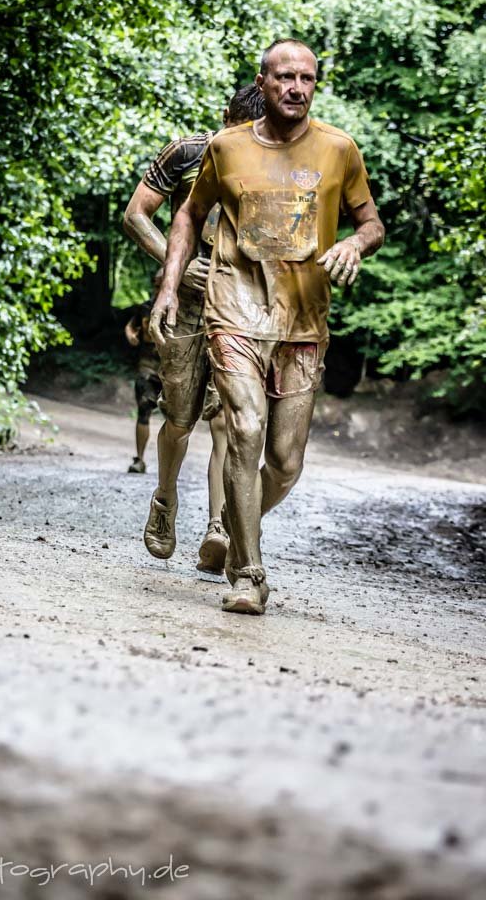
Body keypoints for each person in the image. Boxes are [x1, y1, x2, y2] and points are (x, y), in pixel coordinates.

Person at [150, 39, 384, 614]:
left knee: (284, 463)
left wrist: (356, 243)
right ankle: (248, 573)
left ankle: (234, 520)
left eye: (306, 79)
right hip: (233, 309)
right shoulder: (226, 148)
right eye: (284, 77)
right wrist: (167, 287)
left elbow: (371, 221)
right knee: (245, 428)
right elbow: (186, 214)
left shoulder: (339, 149)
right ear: (264, 81)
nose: (295, 88)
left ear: (315, 86)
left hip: (302, 322)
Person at [124, 85, 264, 574]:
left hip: (242, 306)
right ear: (223, 118)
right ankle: (164, 498)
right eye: (237, 132)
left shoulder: (276, 167)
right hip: (184, 305)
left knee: (229, 418)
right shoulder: (185, 153)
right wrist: (177, 264)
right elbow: (135, 214)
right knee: (180, 418)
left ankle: (219, 524)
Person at [124, 297, 162, 474]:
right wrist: (131, 335)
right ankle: (140, 459)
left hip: (172, 369)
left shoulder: (182, 306)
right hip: (147, 366)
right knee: (144, 410)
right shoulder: (145, 307)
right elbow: (131, 326)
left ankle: (169, 464)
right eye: (155, 284)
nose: (157, 288)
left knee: (175, 419)